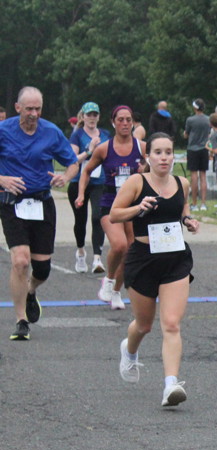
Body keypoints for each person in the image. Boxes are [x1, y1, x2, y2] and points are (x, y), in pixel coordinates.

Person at [110, 133, 200, 407]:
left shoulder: (182, 183)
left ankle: (171, 385)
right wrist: (138, 208)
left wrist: (188, 220)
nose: (163, 157)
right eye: (158, 152)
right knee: (144, 325)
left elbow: (183, 208)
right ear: (148, 156)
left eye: (168, 152)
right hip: (143, 259)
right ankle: (129, 350)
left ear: (174, 156)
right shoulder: (137, 182)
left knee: (171, 323)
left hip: (175, 258)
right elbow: (114, 214)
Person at [0, 86, 80, 341]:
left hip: (42, 203)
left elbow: (73, 163)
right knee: (20, 261)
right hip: (12, 203)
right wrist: (2, 179)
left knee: (42, 269)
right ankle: (21, 320)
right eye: (29, 109)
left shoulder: (51, 131)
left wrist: (65, 177)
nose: (34, 114)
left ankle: (31, 290)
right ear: (18, 108)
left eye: (38, 109)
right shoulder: (3, 131)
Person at [78, 105, 146, 311]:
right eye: (120, 120)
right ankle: (108, 279)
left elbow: (155, 170)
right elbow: (86, 171)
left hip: (134, 206)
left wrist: (146, 169)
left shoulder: (142, 147)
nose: (125, 123)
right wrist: (81, 194)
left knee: (131, 251)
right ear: (113, 122)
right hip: (110, 205)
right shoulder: (104, 148)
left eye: (128, 120)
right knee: (119, 245)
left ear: (133, 122)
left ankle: (116, 291)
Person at [67, 102, 110, 274]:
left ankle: (97, 258)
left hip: (100, 182)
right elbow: (72, 160)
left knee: (98, 217)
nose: (92, 118)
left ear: (98, 117)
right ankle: (80, 251)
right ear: (83, 117)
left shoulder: (105, 134)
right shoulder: (77, 135)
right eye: (89, 115)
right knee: (81, 220)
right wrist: (89, 150)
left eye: (95, 115)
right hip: (79, 182)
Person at [184, 99, 211, 211]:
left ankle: (194, 203)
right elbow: (209, 133)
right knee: (203, 176)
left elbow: (186, 134)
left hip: (192, 149)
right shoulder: (208, 119)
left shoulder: (190, 120)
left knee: (194, 176)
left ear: (195, 108)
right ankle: (203, 203)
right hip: (204, 149)